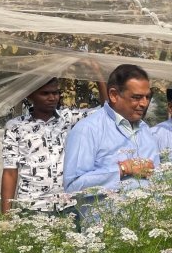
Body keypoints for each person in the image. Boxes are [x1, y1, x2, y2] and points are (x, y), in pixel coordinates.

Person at [1, 73, 106, 214]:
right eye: (45, 93)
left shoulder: (67, 119)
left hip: (67, 205)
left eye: (55, 93)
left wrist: (97, 74)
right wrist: (6, 217)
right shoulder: (15, 126)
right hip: (32, 206)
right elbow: (10, 171)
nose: (52, 98)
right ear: (30, 95)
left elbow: (106, 111)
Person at [63, 64, 160, 195]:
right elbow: (73, 186)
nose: (144, 104)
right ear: (114, 95)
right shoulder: (88, 129)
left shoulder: (145, 130)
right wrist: (122, 169)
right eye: (136, 97)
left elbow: (156, 178)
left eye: (147, 97)